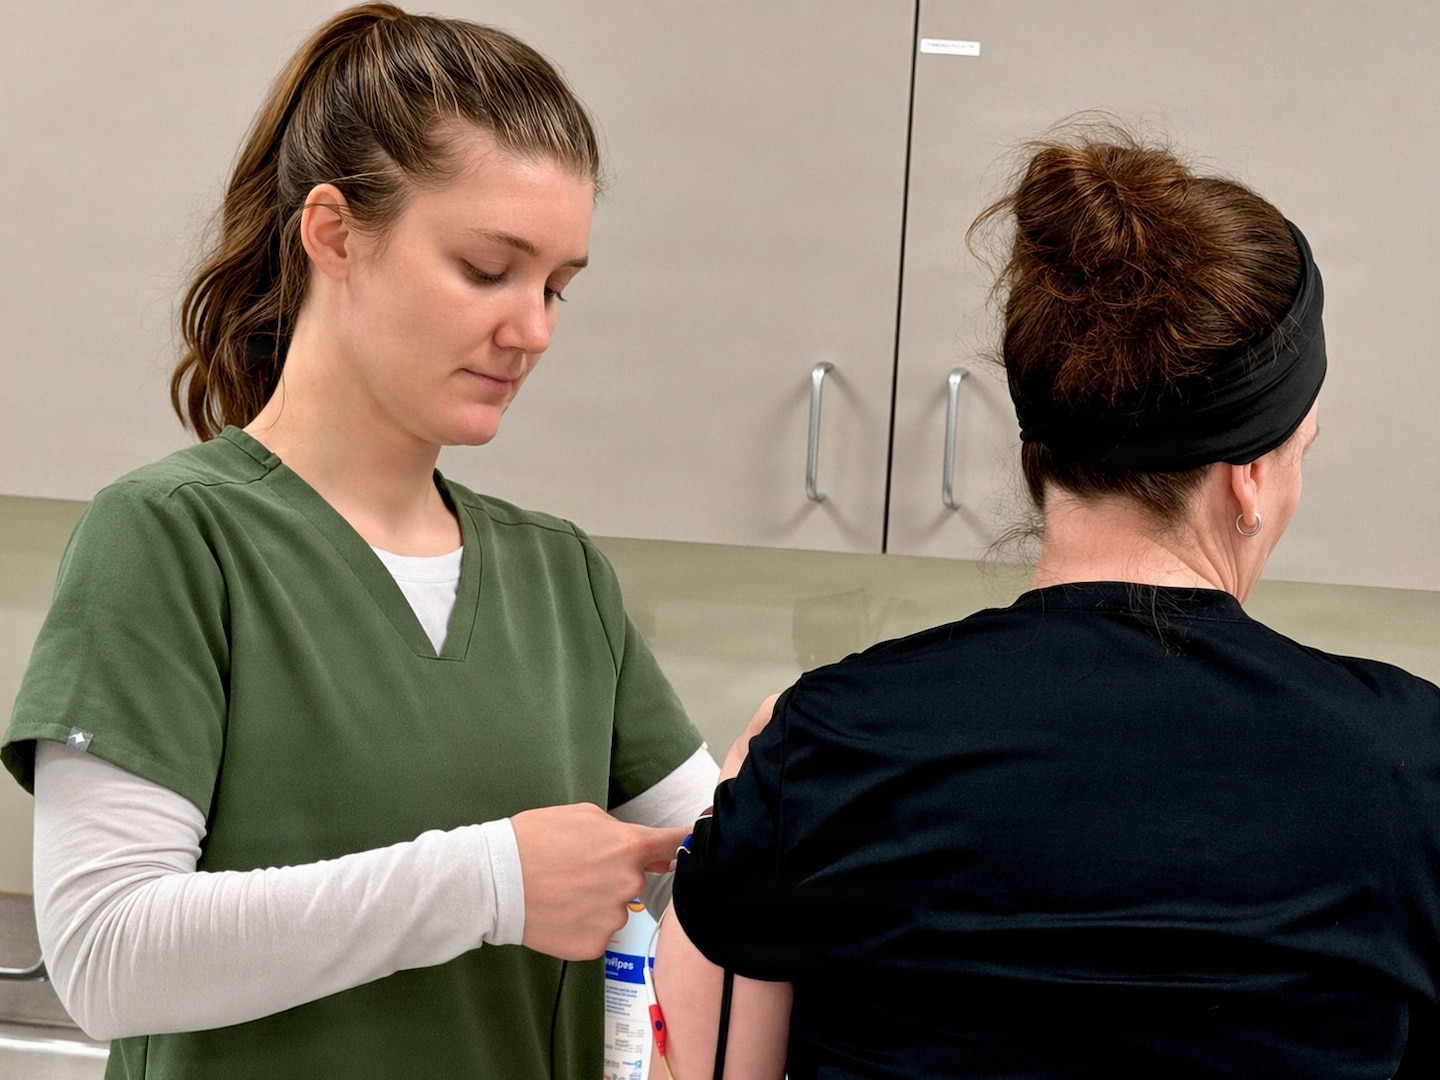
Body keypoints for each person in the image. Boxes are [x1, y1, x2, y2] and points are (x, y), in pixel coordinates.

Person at [0, 5, 716, 1077]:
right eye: (487, 269)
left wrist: (803, 785)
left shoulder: (562, 576)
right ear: (334, 232)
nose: (533, 330)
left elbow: (712, 860)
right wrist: (491, 883)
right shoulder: (172, 539)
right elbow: (106, 954)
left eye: (558, 286)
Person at [653, 120, 1440, 1078]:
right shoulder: (1411, 763)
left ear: (1043, 451)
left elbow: (704, 1059)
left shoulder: (830, 739)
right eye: (1297, 455)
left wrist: (769, 787)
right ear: (1249, 477)